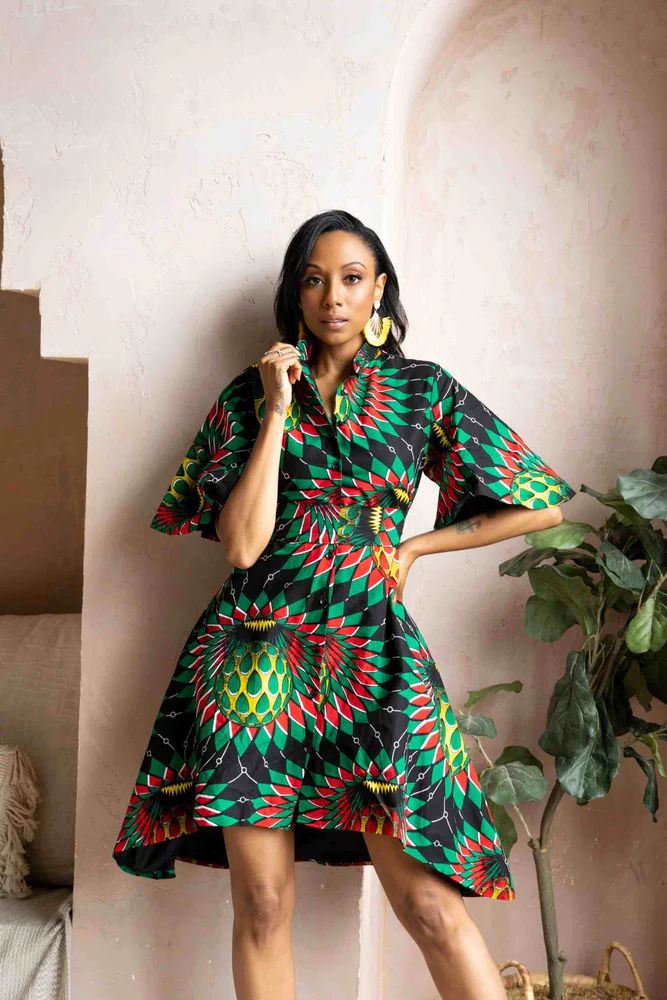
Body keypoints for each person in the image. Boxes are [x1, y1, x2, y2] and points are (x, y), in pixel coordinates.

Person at [112, 209, 576, 999]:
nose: (333, 296)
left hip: (373, 655)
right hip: (253, 661)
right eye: (315, 279)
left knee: (429, 905)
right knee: (262, 902)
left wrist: (416, 547)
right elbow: (241, 546)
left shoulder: (422, 390)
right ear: (295, 294)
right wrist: (276, 407)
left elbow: (540, 504)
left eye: (352, 279)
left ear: (378, 290)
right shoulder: (249, 395)